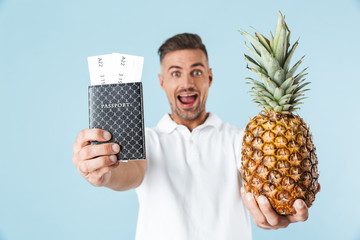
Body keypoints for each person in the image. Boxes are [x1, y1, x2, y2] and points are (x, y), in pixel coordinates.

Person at [72, 33, 309, 240]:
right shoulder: (147, 140)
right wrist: (104, 176)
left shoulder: (243, 141)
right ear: (162, 82)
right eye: (176, 73)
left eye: (196, 71)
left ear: (210, 78)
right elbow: (131, 173)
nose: (186, 83)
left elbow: (264, 185)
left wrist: (277, 211)